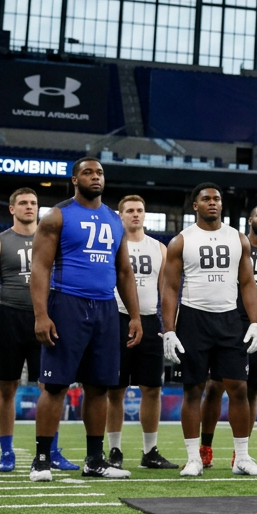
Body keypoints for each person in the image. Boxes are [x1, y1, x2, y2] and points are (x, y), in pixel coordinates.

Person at [27, 158, 142, 482]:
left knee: (100, 387)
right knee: (55, 384)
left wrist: (134, 315)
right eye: (88, 172)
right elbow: (40, 267)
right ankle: (41, 459)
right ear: (75, 179)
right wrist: (41, 314)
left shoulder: (114, 219)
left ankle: (94, 460)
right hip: (67, 304)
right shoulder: (58, 216)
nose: (95, 177)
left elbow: (124, 271)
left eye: (100, 172)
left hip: (106, 308)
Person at [160, 183, 257, 477]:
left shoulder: (238, 238)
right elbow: (170, 287)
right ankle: (194, 458)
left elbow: (247, 283)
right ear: (195, 205)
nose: (212, 203)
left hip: (230, 319)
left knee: (239, 388)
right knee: (193, 389)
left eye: (217, 199)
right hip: (193, 319)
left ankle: (242, 458)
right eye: (206, 199)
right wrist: (169, 329)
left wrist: (254, 323)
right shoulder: (181, 241)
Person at [0, 188, 78, 472]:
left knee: (52, 386)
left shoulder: (53, 238)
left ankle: (51, 451)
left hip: (46, 317)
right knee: (6, 388)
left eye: (33, 203)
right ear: (12, 209)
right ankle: (7, 454)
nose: (29, 207)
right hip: (9, 317)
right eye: (23, 203)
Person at [200, 204, 257, 468]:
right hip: (229, 318)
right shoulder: (233, 243)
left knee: (252, 388)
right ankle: (205, 448)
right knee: (215, 385)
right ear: (250, 219)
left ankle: (241, 455)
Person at [106, 195, 177, 470]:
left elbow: (167, 290)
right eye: (130, 211)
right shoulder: (113, 245)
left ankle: (150, 451)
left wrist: (170, 327)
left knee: (152, 389)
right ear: (121, 215)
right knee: (115, 390)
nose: (136, 215)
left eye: (140, 210)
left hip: (149, 321)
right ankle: (114, 450)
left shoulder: (160, 248)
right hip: (117, 320)